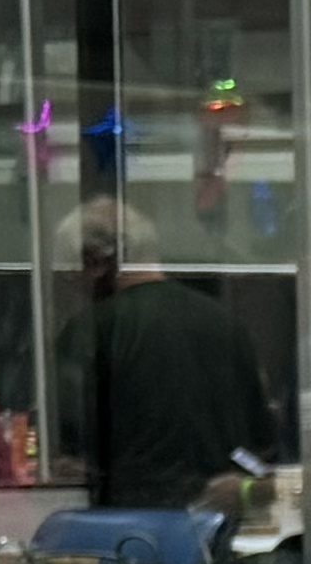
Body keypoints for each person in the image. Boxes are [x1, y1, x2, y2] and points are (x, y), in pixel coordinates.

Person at [59, 205, 271, 509]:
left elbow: (70, 449)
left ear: (95, 263)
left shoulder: (90, 331)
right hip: (218, 518)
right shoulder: (225, 323)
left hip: (127, 522)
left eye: (72, 271)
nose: (74, 283)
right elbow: (258, 446)